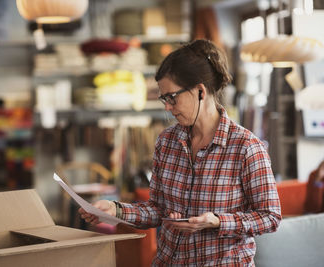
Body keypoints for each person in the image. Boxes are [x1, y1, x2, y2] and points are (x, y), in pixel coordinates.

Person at [79, 39, 282, 266]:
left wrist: (216, 221)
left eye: (172, 98)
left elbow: (270, 217)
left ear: (200, 92)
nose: (167, 107)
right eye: (164, 99)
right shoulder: (167, 141)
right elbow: (157, 210)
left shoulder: (245, 147)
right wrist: (115, 210)